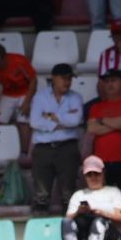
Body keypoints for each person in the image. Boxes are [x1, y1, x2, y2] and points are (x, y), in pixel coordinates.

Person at [29, 64, 84, 215]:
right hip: (43, 148)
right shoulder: (40, 97)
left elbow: (76, 121)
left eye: (69, 78)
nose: (67, 82)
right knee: (41, 195)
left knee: (69, 194)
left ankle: (70, 231)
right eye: (63, 78)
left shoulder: (76, 97)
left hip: (67, 147)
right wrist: (62, 122)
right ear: (53, 78)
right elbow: (34, 122)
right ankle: (41, 231)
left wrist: (51, 116)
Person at [61, 154, 121, 240]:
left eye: (96, 174)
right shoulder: (78, 195)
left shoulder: (114, 192)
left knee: (99, 221)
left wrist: (101, 213)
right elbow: (67, 219)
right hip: (84, 236)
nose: (93, 177)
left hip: (109, 239)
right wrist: (78, 212)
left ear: (103, 173)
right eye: (89, 174)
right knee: (67, 221)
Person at [89, 69, 121, 193]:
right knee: (103, 199)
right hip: (102, 161)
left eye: (113, 80)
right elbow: (92, 128)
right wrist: (116, 124)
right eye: (107, 81)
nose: (110, 84)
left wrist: (101, 120)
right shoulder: (96, 107)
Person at [0, 42, 37, 127]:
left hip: (25, 93)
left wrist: (27, 102)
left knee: (24, 121)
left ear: (4, 57)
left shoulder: (19, 61)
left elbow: (33, 81)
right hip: (8, 94)